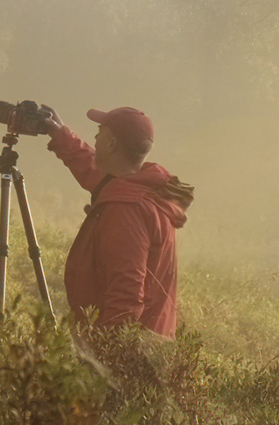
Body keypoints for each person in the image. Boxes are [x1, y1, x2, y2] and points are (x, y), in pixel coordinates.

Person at [41, 106, 194, 338]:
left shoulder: (125, 209)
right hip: (154, 335)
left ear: (112, 143)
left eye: (100, 131)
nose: (95, 137)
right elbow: (93, 171)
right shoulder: (144, 188)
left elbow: (125, 298)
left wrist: (105, 359)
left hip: (131, 350)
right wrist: (60, 134)